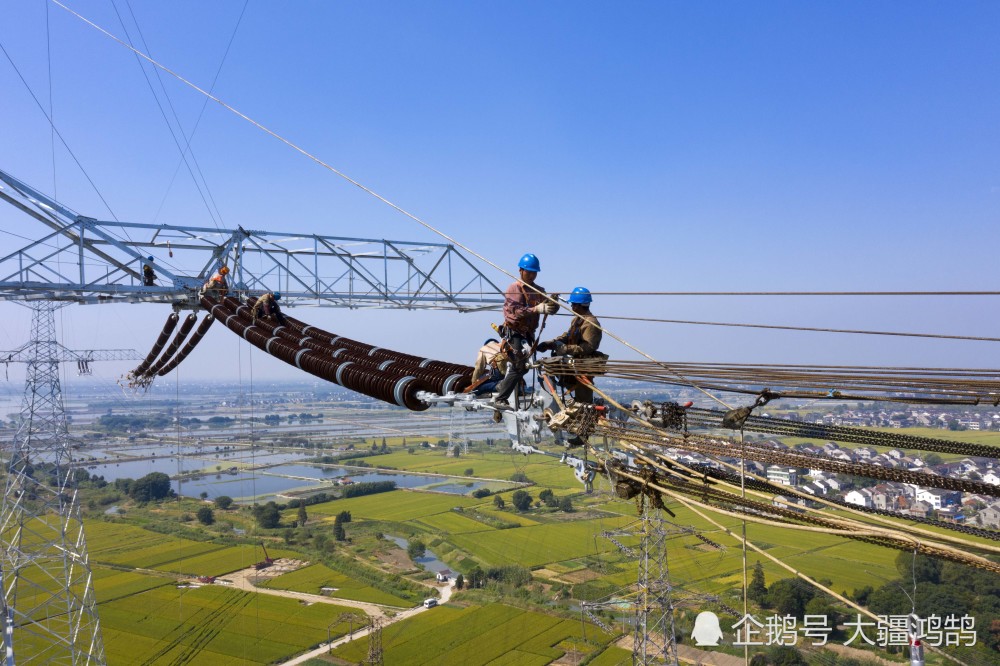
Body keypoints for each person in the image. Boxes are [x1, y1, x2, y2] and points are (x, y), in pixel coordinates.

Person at [491, 253, 557, 405]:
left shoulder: (539, 290)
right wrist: (536, 309)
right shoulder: (515, 288)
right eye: (529, 272)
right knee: (519, 365)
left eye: (535, 272)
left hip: (528, 333)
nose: (532, 275)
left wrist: (552, 303)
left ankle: (503, 386)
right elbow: (515, 311)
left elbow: (550, 308)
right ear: (521, 270)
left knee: (524, 367)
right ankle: (500, 398)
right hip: (515, 332)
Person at [537, 286, 602, 404]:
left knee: (583, 402)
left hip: (583, 368)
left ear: (578, 305)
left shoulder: (591, 323)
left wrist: (565, 349)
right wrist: (550, 344)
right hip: (573, 366)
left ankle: (585, 417)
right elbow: (568, 336)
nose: (571, 307)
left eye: (573, 304)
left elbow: (589, 347)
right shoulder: (577, 320)